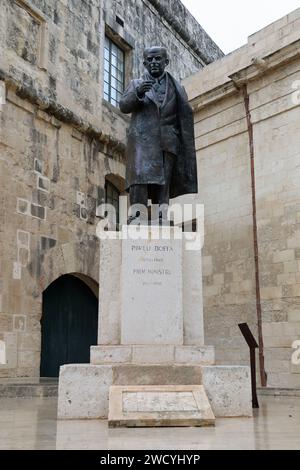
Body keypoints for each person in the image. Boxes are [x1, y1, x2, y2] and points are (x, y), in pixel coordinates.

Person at [119, 46, 198, 224]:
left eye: (158, 59)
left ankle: (161, 216)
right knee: (139, 178)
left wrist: (178, 138)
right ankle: (137, 215)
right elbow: (123, 106)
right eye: (150, 60)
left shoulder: (178, 88)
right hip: (142, 142)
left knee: (164, 183)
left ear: (166, 62)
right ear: (145, 63)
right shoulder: (135, 84)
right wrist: (138, 92)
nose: (154, 62)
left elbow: (183, 117)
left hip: (168, 142)